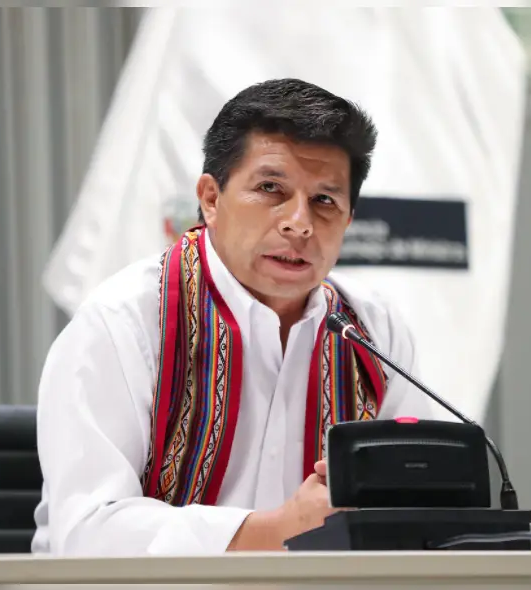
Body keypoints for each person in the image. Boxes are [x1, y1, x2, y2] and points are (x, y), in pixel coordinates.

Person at [32, 78, 434, 556]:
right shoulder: (126, 325)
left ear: (348, 221)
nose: (299, 223)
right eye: (270, 189)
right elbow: (89, 535)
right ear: (210, 198)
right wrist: (276, 530)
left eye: (325, 201)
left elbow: (417, 507)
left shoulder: (372, 333)